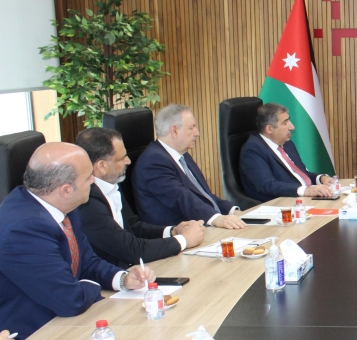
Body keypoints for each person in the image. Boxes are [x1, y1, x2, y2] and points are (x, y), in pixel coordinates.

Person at [0, 143, 154, 338]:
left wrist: (122, 279)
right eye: (88, 177)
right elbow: (70, 299)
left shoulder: (63, 207)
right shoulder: (23, 230)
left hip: (69, 321)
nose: (93, 180)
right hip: (39, 330)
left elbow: (86, 261)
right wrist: (90, 285)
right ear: (65, 190)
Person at [75, 128, 205, 268]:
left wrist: (172, 231)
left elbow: (134, 227)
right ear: (102, 166)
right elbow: (131, 250)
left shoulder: (110, 185)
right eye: (122, 158)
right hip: (113, 276)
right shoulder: (88, 202)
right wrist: (184, 240)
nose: (128, 161)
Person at [133, 104, 246, 229]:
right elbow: (181, 198)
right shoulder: (153, 161)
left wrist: (231, 211)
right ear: (174, 131)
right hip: (178, 234)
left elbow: (203, 195)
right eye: (191, 128)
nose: (197, 133)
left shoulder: (182, 155)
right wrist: (215, 218)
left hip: (200, 227)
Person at [240, 103, 335, 200]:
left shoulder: (287, 143)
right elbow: (268, 185)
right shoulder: (252, 150)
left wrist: (321, 178)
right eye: (285, 123)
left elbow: (301, 174)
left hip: (301, 199)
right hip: (279, 203)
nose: (292, 127)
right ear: (269, 129)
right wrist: (306, 191)